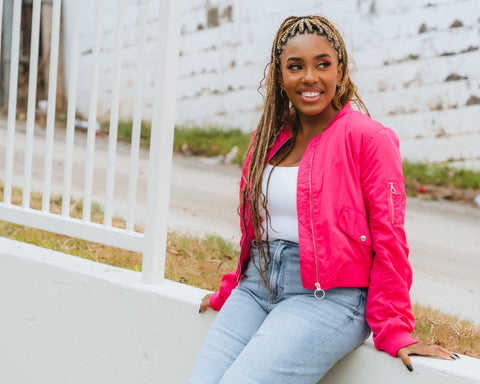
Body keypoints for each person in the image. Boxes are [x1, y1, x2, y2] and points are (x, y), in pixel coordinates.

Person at [189, 15, 459, 384]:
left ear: (341, 70)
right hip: (255, 288)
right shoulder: (266, 137)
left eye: (323, 64)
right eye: (295, 67)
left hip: (328, 298)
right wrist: (231, 285)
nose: (310, 78)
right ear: (280, 77)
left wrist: (394, 327)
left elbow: (389, 237)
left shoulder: (369, 139)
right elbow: (255, 226)